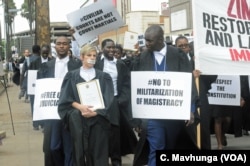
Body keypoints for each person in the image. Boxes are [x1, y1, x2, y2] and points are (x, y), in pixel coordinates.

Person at [132, 25, 197, 166]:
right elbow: (136, 87)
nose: (147, 44)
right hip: (152, 116)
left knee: (171, 148)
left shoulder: (178, 55)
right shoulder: (142, 57)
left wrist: (190, 109)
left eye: (150, 41)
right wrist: (137, 118)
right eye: (146, 40)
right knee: (156, 148)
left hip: (174, 113)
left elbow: (188, 83)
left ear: (161, 39)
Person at [58, 44, 114, 166]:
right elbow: (65, 99)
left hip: (99, 119)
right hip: (78, 119)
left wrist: (96, 112)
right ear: (82, 57)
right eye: (89, 55)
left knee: (98, 153)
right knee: (79, 152)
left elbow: (108, 100)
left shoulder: (104, 77)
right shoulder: (71, 76)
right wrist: (80, 107)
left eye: (94, 55)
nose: (92, 57)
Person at [37, 36, 82, 166]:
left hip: (71, 111)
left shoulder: (76, 65)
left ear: (69, 46)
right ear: (55, 46)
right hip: (52, 113)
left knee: (70, 147)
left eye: (64, 44)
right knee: (52, 147)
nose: (61, 46)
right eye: (59, 44)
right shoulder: (46, 66)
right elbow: (41, 90)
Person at [95, 39, 137, 166]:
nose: (111, 50)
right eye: (108, 47)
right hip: (99, 102)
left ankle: (116, 160)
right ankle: (102, 159)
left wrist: (120, 100)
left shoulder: (120, 64)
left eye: (113, 47)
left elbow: (126, 84)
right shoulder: (96, 63)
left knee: (115, 133)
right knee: (100, 132)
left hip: (114, 101)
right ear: (102, 49)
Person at [176, 37, 217, 150]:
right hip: (182, 100)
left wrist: (203, 68)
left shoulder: (197, 61)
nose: (184, 47)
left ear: (189, 47)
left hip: (200, 98)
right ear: (176, 48)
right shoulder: (174, 62)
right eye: (180, 46)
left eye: (186, 45)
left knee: (203, 129)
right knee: (186, 132)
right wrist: (190, 76)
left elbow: (212, 78)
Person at [29, 44, 53, 130]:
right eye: (43, 52)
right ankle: (36, 124)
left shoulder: (53, 61)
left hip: (48, 87)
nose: (45, 54)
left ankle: (44, 124)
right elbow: (30, 76)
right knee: (35, 105)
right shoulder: (34, 63)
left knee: (45, 105)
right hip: (36, 87)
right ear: (40, 52)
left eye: (47, 52)